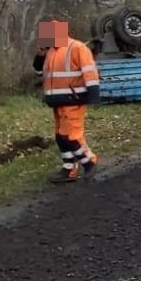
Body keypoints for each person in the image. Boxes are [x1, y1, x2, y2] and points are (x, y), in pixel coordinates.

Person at [33, 19, 101, 181]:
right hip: (57, 101)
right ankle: (69, 169)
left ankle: (89, 162)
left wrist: (93, 96)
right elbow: (38, 72)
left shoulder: (77, 48)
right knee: (60, 137)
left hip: (73, 100)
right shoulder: (50, 52)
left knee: (70, 137)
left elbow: (90, 73)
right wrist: (41, 54)